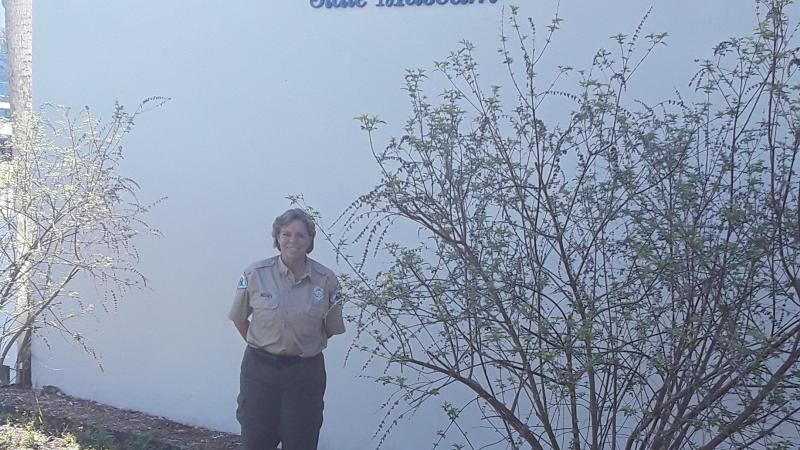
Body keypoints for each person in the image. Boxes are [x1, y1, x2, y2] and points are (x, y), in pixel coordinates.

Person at [229, 208, 345, 450]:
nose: (293, 240)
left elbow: (331, 327)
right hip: (260, 372)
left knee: (301, 441)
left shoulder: (327, 280)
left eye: (301, 235)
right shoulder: (254, 274)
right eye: (286, 234)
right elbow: (240, 319)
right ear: (277, 238)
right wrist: (266, 345)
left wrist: (300, 345)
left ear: (310, 240)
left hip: (305, 374)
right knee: (256, 441)